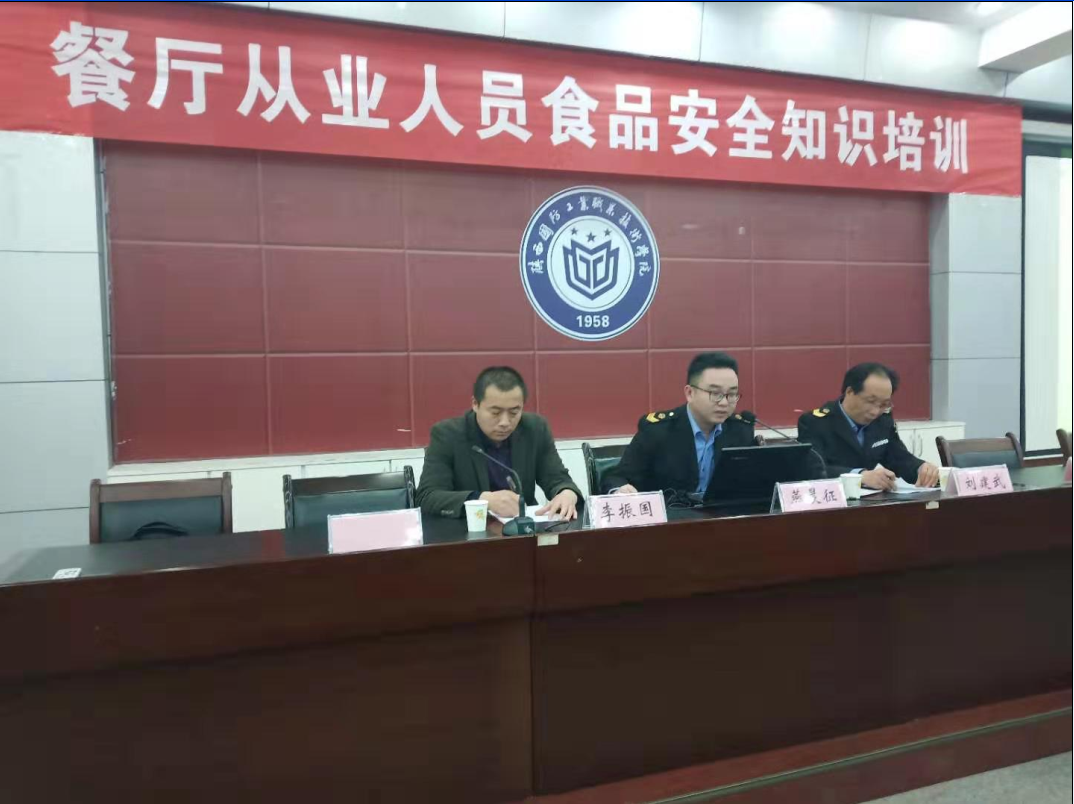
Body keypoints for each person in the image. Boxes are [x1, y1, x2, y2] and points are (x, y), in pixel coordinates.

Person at [415, 366, 583, 520]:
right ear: (475, 404)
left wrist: (567, 493)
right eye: (495, 412)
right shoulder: (447, 435)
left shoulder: (535, 429)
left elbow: (557, 478)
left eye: (514, 412)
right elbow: (427, 497)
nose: (505, 422)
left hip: (523, 530)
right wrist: (483, 500)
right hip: (469, 533)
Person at [601, 352, 755, 499]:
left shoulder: (741, 430)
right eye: (715, 394)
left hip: (722, 515)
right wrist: (620, 489)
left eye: (732, 394)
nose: (724, 402)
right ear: (690, 393)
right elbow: (617, 478)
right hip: (671, 515)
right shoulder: (657, 431)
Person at [797, 362, 940, 490]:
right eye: (870, 401)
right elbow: (812, 470)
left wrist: (921, 469)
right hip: (832, 502)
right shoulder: (815, 422)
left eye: (884, 404)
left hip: (871, 503)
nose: (875, 412)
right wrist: (859, 476)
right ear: (849, 392)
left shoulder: (883, 421)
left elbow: (899, 458)